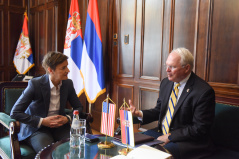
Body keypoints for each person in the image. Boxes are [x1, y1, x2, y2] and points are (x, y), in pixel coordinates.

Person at [129, 48, 215, 159]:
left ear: (187, 68)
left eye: (172, 67)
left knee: (156, 154)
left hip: (188, 142)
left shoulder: (203, 91)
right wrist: (139, 114)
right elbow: (159, 111)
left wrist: (170, 136)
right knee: (132, 144)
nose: (167, 70)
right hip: (161, 134)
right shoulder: (166, 83)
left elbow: (199, 128)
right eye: (167, 66)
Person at [10, 51, 84, 153]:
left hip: (60, 127)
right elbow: (15, 112)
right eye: (63, 68)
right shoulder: (35, 84)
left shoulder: (68, 84)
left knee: (76, 147)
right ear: (50, 70)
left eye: (67, 66)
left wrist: (67, 118)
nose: (68, 70)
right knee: (48, 153)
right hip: (37, 128)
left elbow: (78, 107)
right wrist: (42, 121)